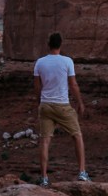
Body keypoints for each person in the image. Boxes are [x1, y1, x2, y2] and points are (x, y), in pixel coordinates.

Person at [33, 32, 89, 186]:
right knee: (77, 136)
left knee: (45, 141)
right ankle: (82, 173)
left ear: (48, 44)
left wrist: (40, 102)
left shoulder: (39, 63)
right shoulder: (67, 61)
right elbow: (73, 84)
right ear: (60, 44)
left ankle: (44, 178)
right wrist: (80, 103)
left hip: (45, 105)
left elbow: (37, 87)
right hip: (63, 105)